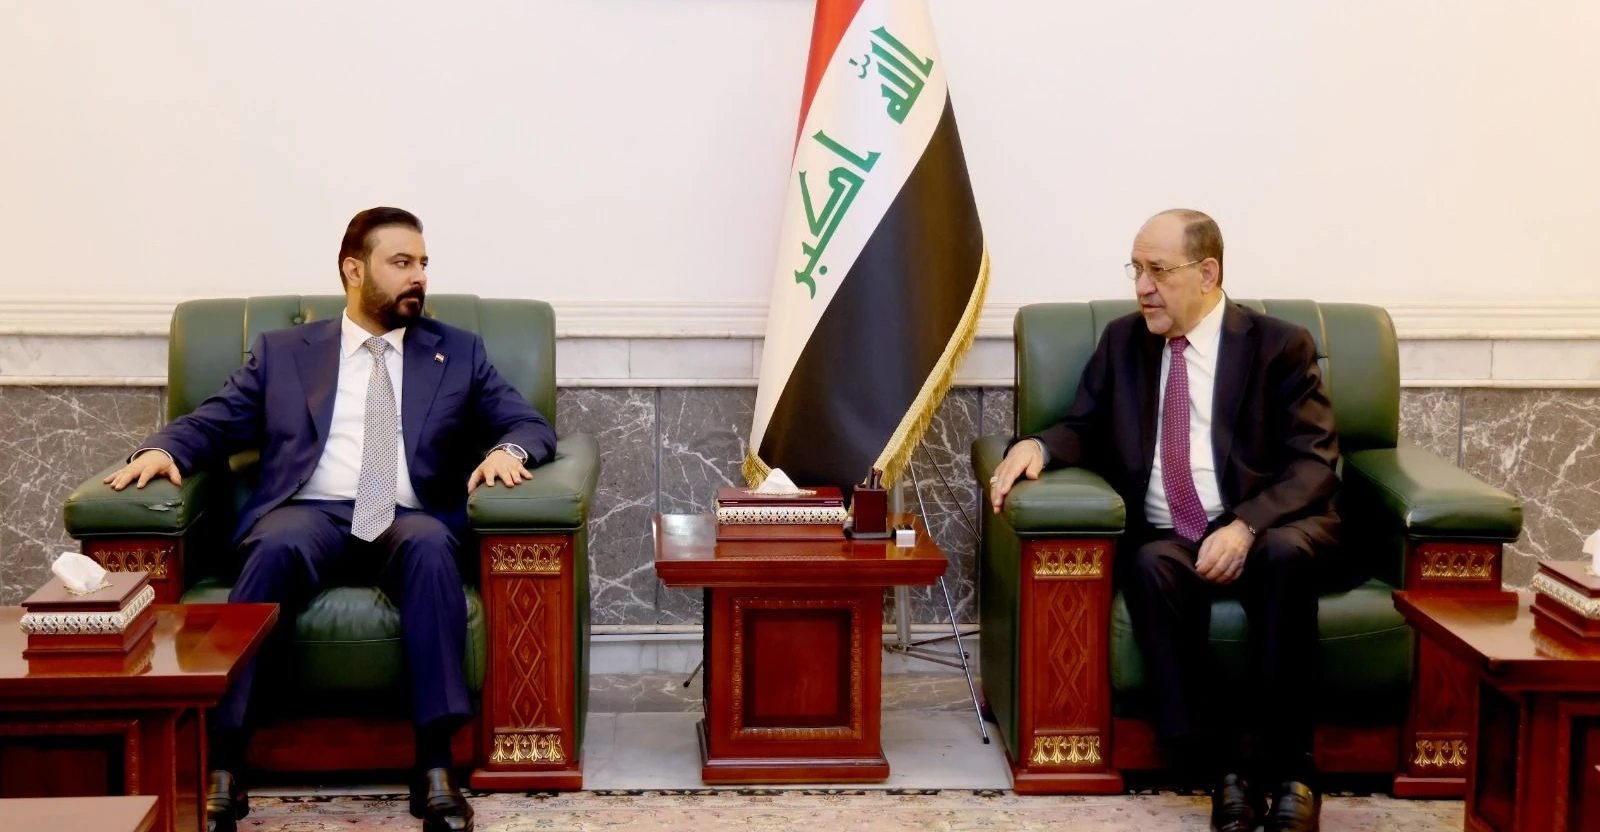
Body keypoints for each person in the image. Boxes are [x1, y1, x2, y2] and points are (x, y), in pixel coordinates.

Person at [105, 207, 556, 832]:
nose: (418, 277)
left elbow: (527, 422)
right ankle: (224, 764)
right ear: (354, 270)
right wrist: (163, 450)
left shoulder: (456, 351)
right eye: (401, 262)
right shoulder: (286, 352)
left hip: (406, 515)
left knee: (431, 549)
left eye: (423, 263)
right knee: (272, 549)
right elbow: (215, 419)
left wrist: (509, 452)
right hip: (310, 513)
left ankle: (434, 767)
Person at [989, 209, 1343, 832]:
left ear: (1208, 273)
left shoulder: (1278, 345)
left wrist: (1245, 526)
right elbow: (1084, 425)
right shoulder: (1123, 342)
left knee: (1284, 557)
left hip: (1270, 525)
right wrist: (1037, 446)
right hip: (1170, 534)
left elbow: (1316, 462)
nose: (1142, 287)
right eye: (1136, 270)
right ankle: (1225, 768)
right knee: (1152, 566)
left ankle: (1294, 772)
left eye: (1158, 270)